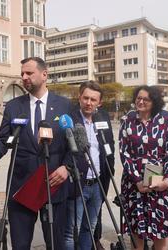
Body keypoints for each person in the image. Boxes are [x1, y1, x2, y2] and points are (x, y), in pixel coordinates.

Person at [0, 57, 72, 250]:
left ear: (44, 74)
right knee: (20, 244)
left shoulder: (64, 105)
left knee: (55, 244)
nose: (24, 77)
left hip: (53, 184)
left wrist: (66, 168)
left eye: (29, 73)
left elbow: (73, 144)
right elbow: (4, 138)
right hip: (22, 184)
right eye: (22, 74)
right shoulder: (15, 106)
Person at [119, 85, 168, 250]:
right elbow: (124, 153)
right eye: (138, 98)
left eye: (145, 99)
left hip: (160, 183)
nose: (140, 101)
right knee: (137, 233)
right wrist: (138, 181)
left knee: (160, 233)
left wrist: (167, 181)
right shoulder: (127, 120)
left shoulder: (166, 120)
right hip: (134, 185)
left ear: (154, 101)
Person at [64, 81, 115, 250]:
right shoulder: (69, 117)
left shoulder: (103, 117)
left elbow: (110, 147)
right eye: (85, 98)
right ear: (79, 98)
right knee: (71, 232)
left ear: (99, 102)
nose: (88, 102)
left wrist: (110, 172)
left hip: (98, 185)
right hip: (78, 184)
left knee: (90, 228)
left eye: (93, 99)